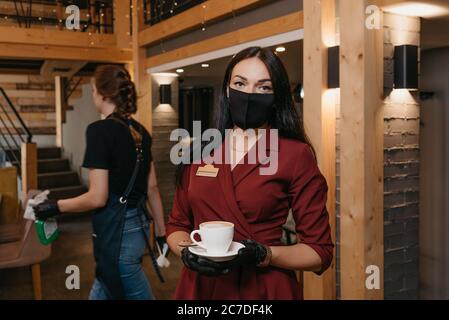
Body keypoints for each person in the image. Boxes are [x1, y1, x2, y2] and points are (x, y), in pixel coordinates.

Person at [166, 47, 334, 300]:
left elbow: (319, 252)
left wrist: (265, 254)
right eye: (240, 83)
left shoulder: (294, 154)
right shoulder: (200, 149)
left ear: (276, 96)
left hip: (263, 289)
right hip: (199, 288)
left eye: (263, 87)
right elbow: (177, 226)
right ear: (227, 89)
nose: (249, 94)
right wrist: (188, 253)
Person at [33, 65, 167, 300]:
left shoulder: (99, 131)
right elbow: (153, 188)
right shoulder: (140, 131)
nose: (93, 95)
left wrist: (54, 206)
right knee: (103, 287)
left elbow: (98, 197)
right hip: (139, 228)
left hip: (118, 236)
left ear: (103, 94)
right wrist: (161, 234)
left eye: (94, 90)